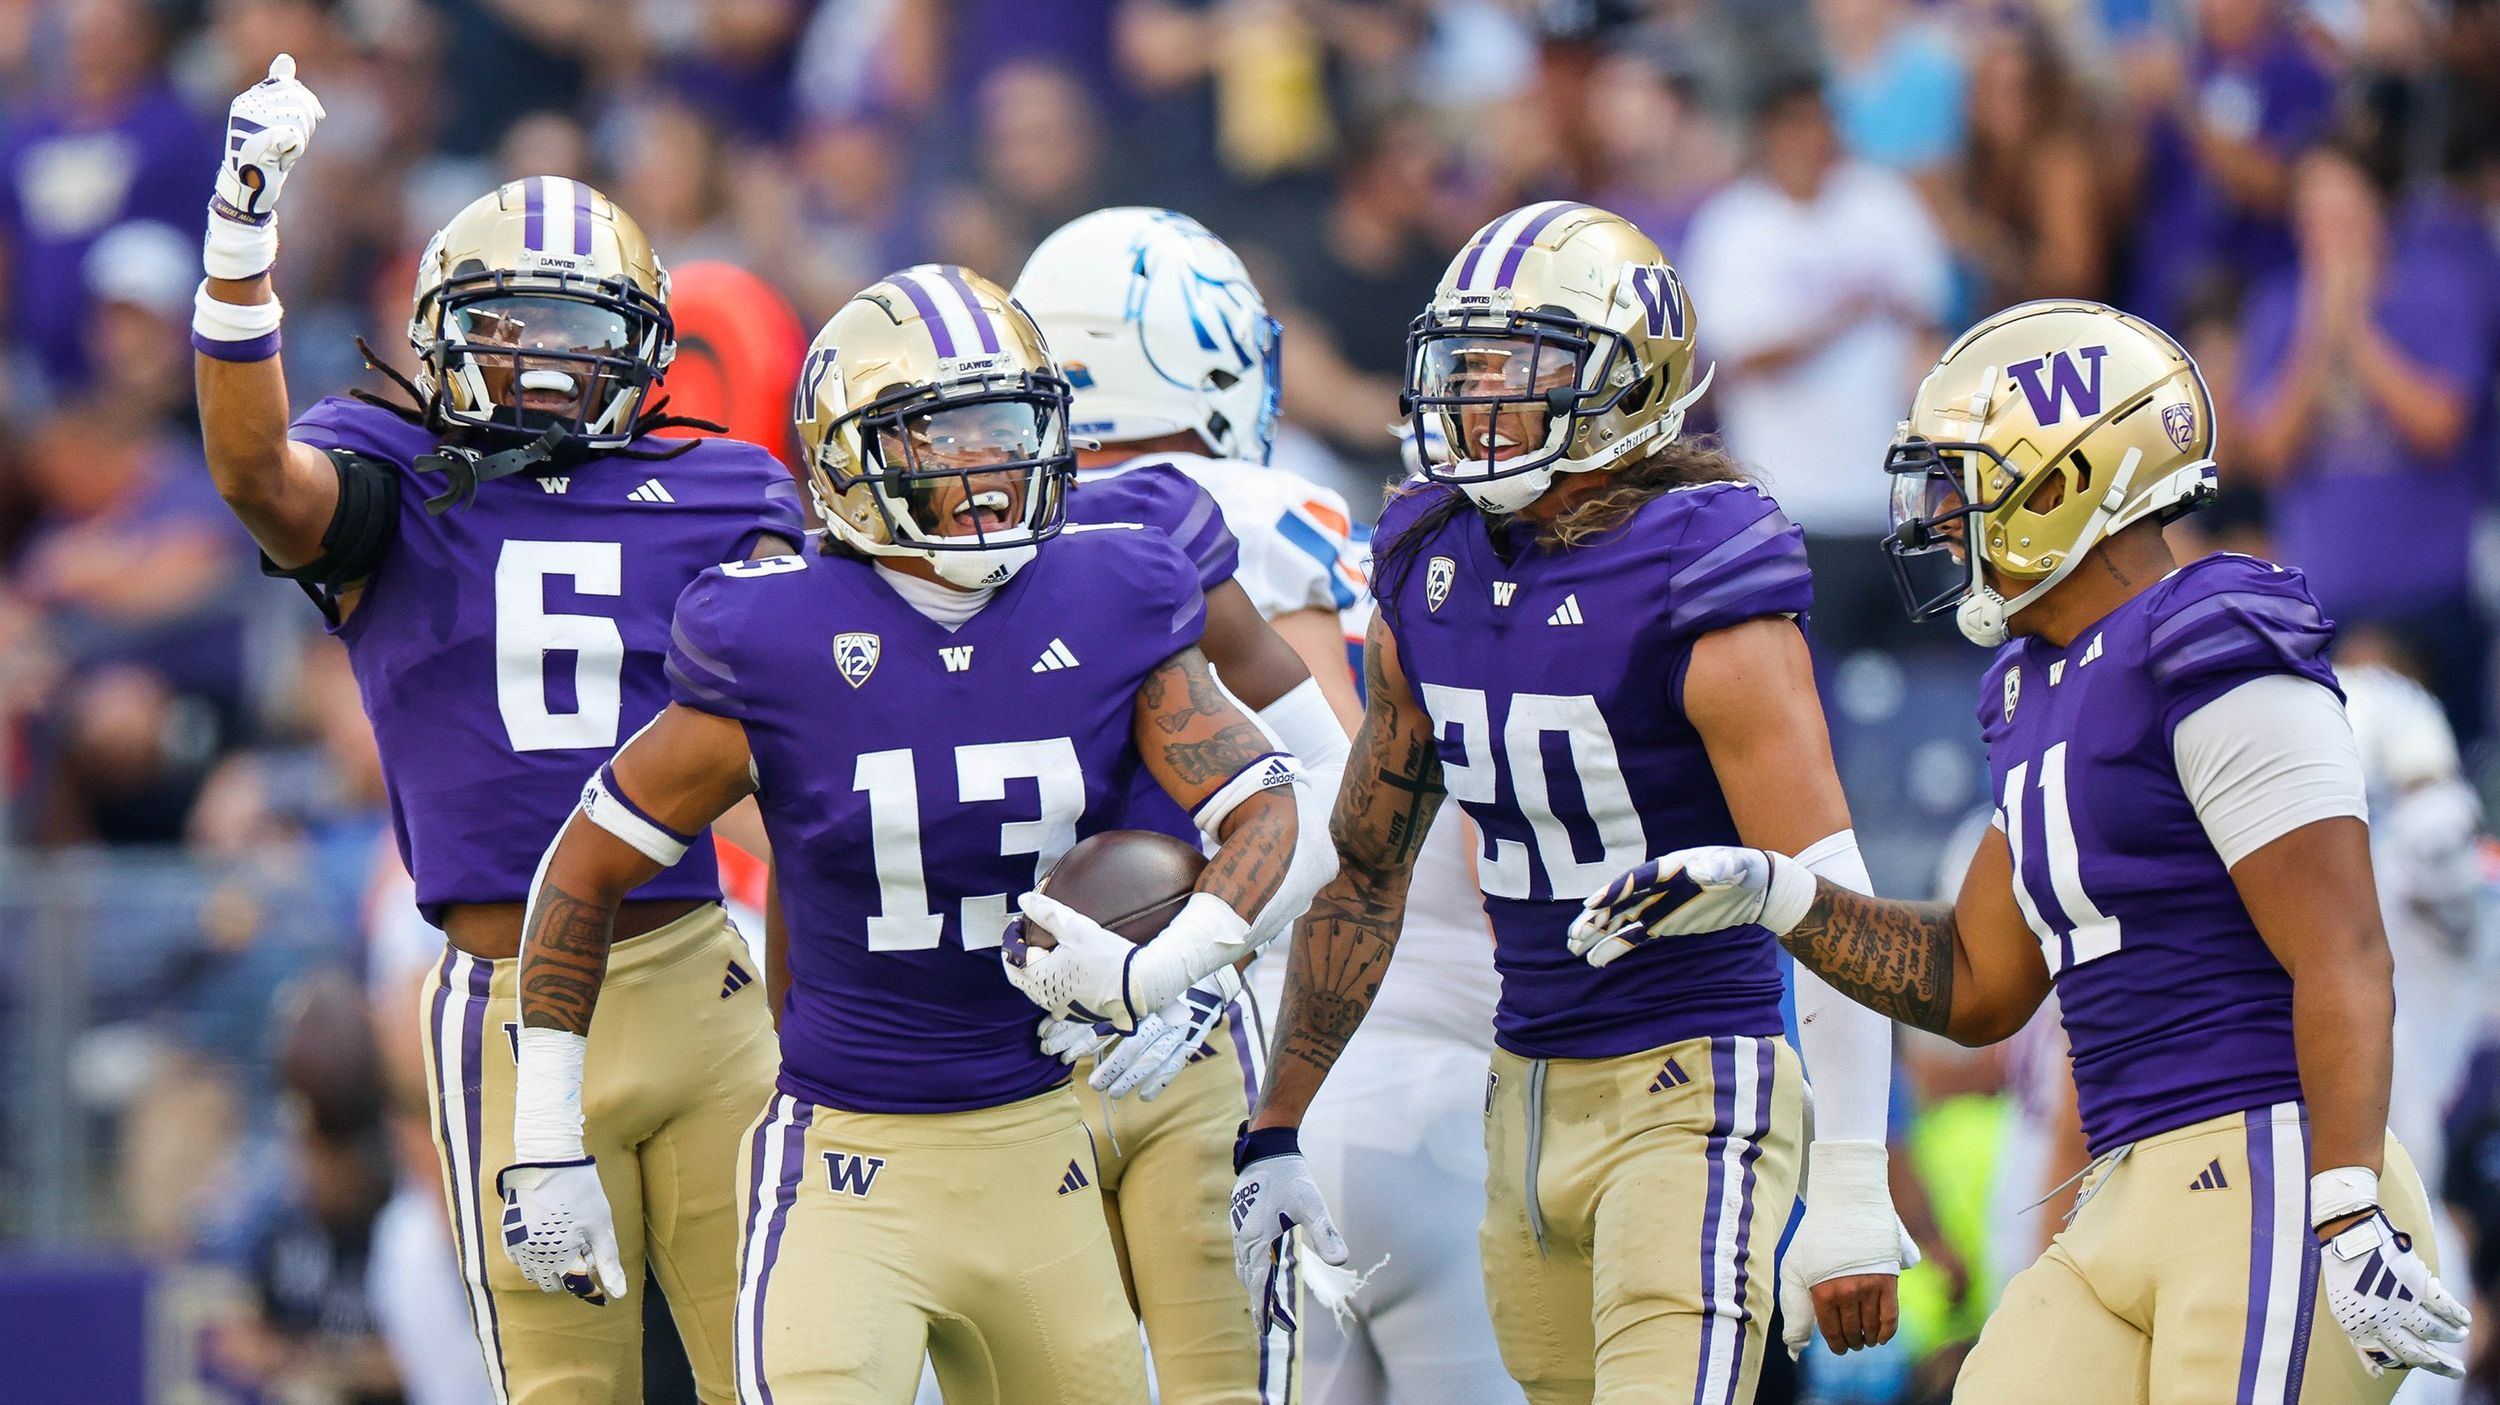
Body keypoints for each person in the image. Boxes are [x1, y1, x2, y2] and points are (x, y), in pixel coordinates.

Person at [1581, 299, 2475, 1402]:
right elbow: (1976, 979)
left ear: (2059, 482)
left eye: (1960, 481)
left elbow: (2343, 952)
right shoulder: (2035, 681)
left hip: (2272, 1166)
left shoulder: (2211, 632)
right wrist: (1779, 897)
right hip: (2127, 1184)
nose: (1934, 516)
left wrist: (2347, 1205)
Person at [502, 267, 1335, 1405]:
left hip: (1043, 1144)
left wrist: (1168, 964)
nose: (989, 468)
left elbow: (1271, 802)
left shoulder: (1113, 588)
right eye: (944, 441)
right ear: (852, 458)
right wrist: (547, 1132)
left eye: (1007, 430)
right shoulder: (772, 633)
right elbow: (581, 868)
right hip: (849, 1163)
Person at [191, 58, 802, 1403]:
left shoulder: (724, 489)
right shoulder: (393, 473)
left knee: (778, 1369)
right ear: (443, 332)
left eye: (577, 329)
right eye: (511, 324)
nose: (543, 357)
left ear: (645, 347)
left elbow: (816, 722)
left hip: (701, 976)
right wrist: (240, 252)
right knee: (562, 1385)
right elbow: (255, 473)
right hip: (499, 1001)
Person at [1231, 202, 1913, 1405]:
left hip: (1693, 1085)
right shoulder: (1427, 557)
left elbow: (1830, 887)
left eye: (1516, 370)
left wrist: (1853, 1176)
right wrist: (1280, 1118)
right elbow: (1366, 864)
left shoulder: (1701, 563)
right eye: (1465, 366)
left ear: (1625, 383)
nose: (1475, 401)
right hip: (1520, 1087)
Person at [1006, 206, 1365, 1403]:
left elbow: (1324, 787)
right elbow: (1354, 790)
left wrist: (1198, 951)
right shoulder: (1256, 506)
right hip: (1285, 1015)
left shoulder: (970, 523)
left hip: (1208, 1014)